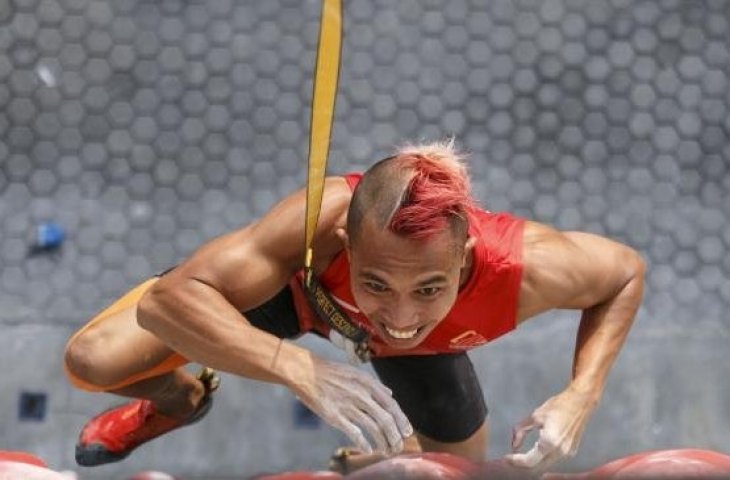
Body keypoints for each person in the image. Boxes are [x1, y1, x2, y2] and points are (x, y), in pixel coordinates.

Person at [64, 140, 645, 471]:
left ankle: (373, 461)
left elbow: (624, 274)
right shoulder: (316, 220)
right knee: (92, 360)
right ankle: (179, 400)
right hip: (296, 297)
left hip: (429, 353)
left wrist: (582, 393)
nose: (398, 317)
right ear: (345, 241)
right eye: (376, 283)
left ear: (465, 257)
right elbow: (167, 304)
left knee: (454, 472)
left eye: (429, 288)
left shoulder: (530, 266)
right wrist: (293, 366)